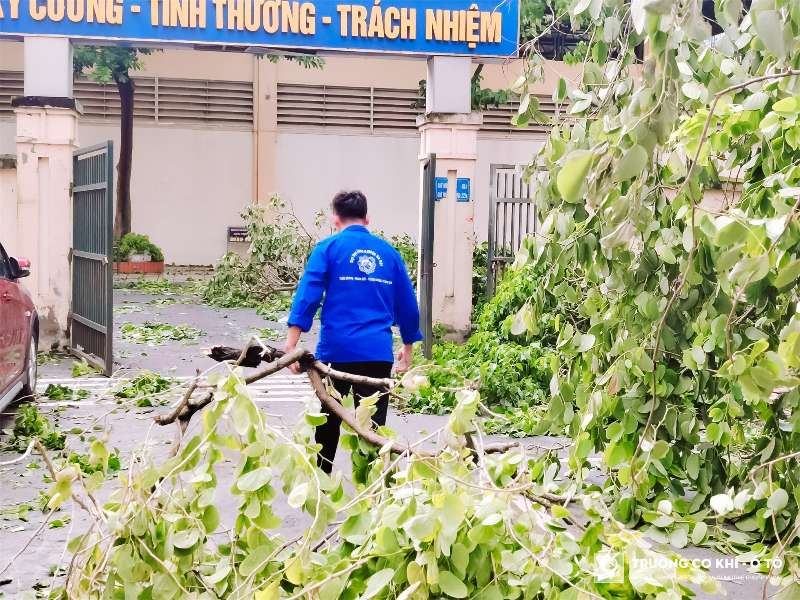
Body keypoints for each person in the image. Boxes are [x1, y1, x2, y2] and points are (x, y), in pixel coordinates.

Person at [284, 190, 423, 473]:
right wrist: (407, 349)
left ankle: (321, 482)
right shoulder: (389, 254)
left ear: (334, 218)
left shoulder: (328, 249)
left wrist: (292, 345)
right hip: (376, 354)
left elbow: (307, 296)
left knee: (328, 420)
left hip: (336, 353)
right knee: (372, 427)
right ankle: (372, 489)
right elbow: (408, 306)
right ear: (367, 218)